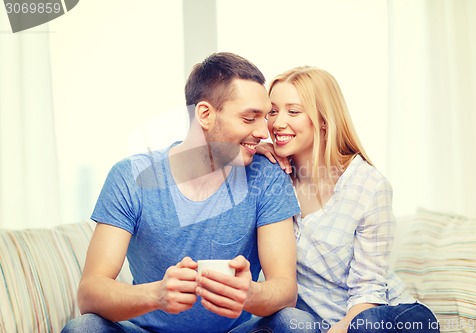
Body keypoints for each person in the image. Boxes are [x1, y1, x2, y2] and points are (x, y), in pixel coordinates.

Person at [62, 52, 318, 333]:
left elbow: (284, 289)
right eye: (249, 118)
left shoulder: (266, 176)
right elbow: (90, 292)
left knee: (298, 325)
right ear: (205, 114)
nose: (263, 132)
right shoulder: (130, 177)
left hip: (236, 331)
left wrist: (251, 294)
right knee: (83, 328)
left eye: (264, 117)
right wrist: (155, 295)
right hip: (146, 330)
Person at [259, 66, 440, 333]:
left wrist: (341, 329)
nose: (277, 122)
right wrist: (249, 152)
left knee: (365, 326)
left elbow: (369, 289)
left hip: (386, 314)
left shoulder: (368, 185)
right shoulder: (273, 178)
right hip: (320, 322)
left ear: (323, 119)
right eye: (273, 111)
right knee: (287, 321)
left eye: (293, 111)